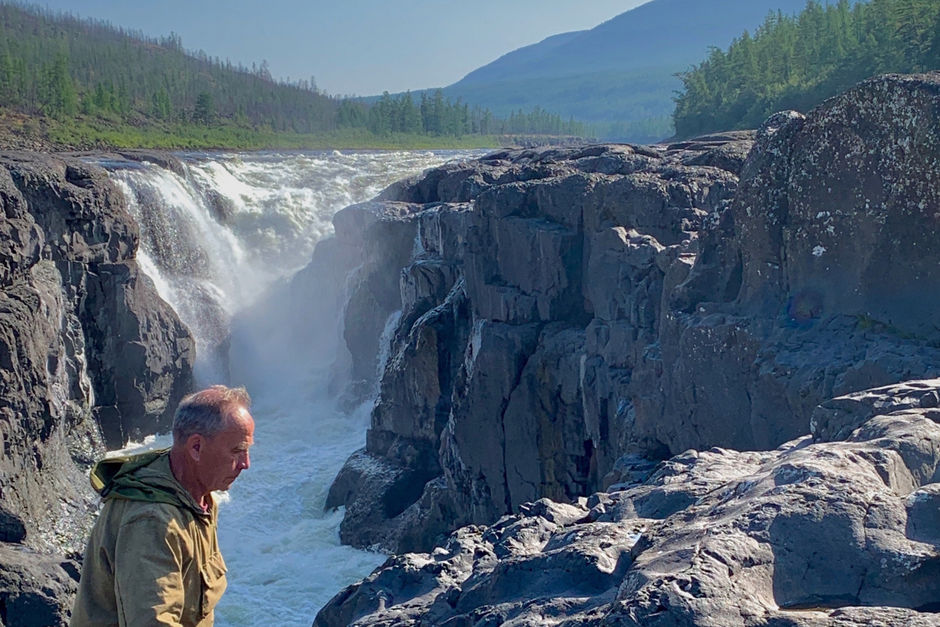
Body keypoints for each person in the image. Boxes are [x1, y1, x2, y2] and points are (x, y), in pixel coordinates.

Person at [71, 385, 255, 627]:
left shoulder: (198, 496)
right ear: (196, 447)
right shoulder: (152, 522)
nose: (246, 463)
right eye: (237, 451)